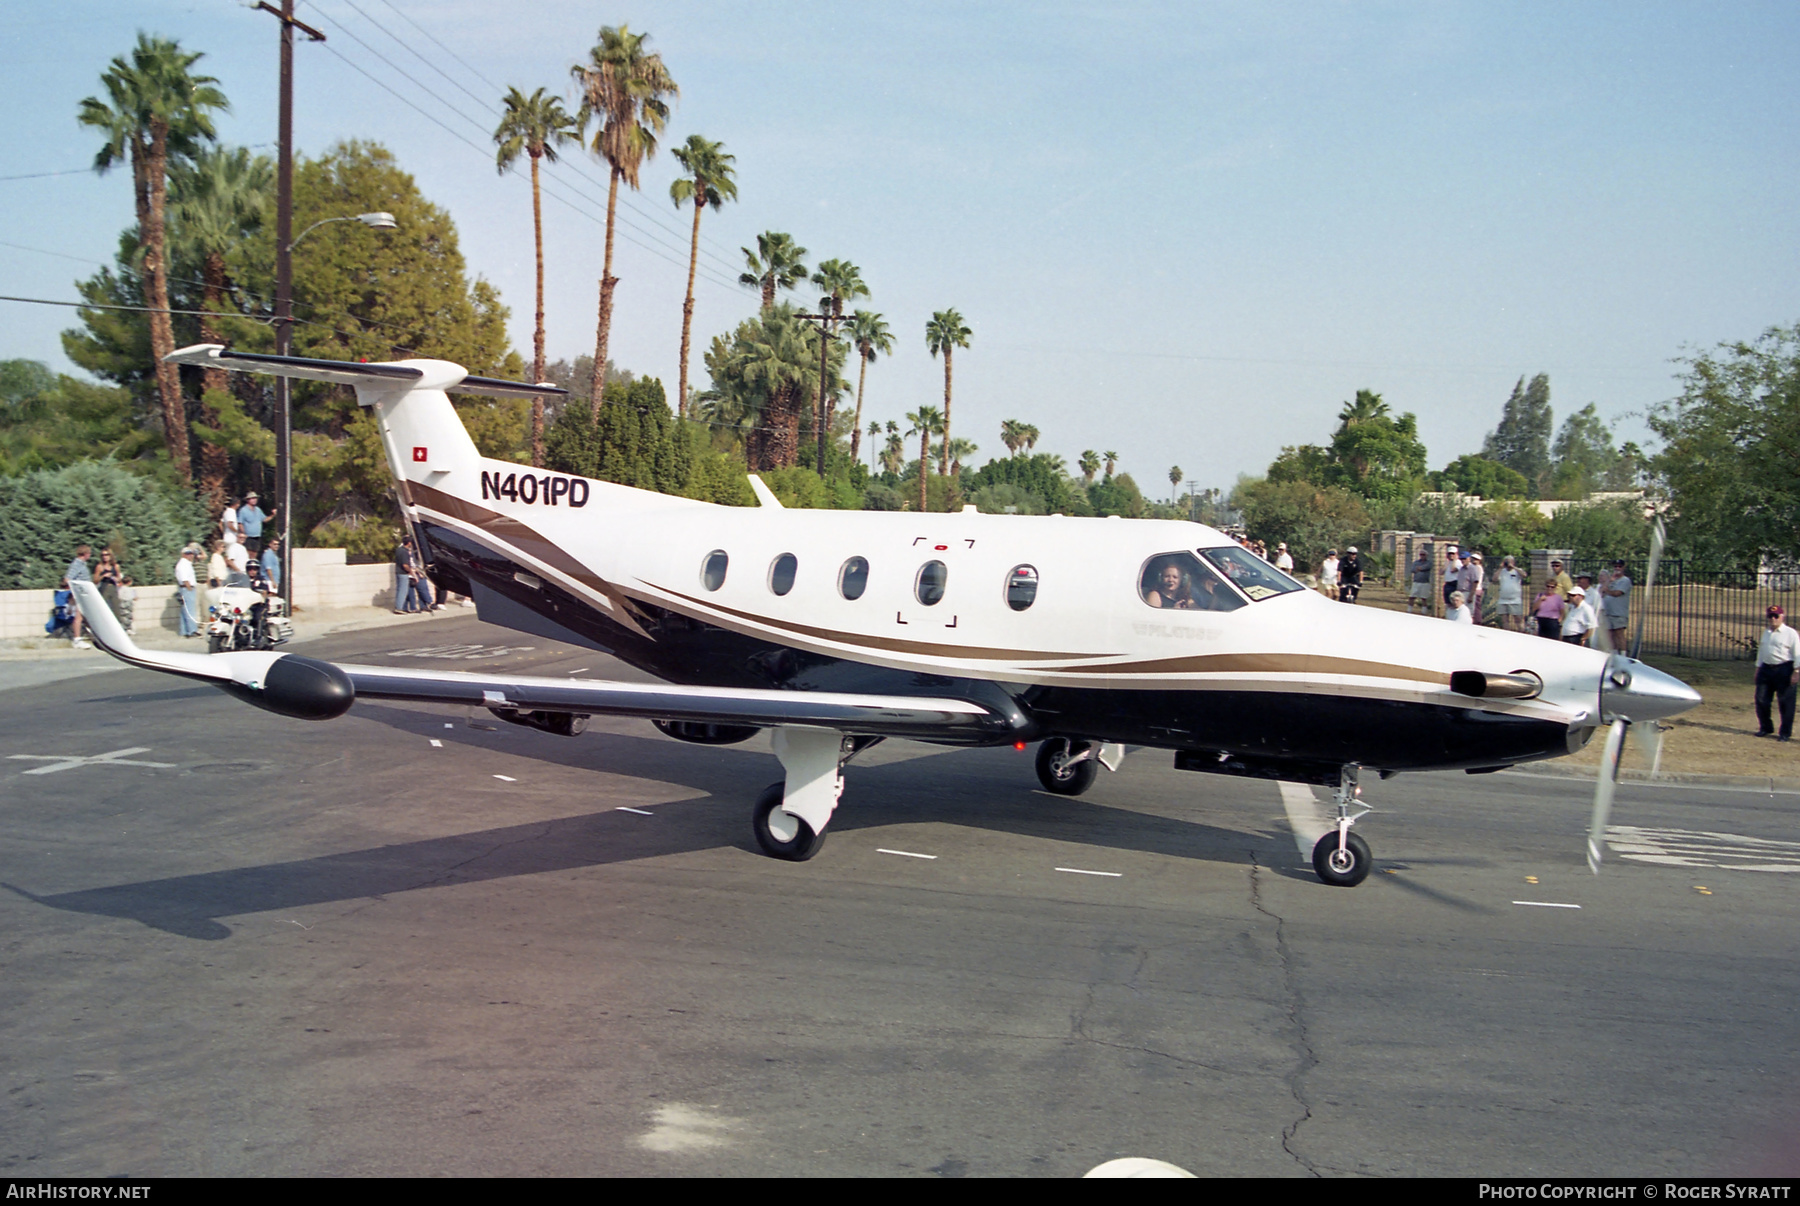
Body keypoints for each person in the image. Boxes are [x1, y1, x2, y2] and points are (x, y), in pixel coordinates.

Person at [1754, 605, 1797, 742]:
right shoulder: (1766, 632)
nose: (1773, 619)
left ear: (1782, 617)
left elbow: (1797, 653)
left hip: (1784, 668)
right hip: (1766, 668)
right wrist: (1758, 667)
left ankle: (1785, 732)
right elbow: (1762, 651)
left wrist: (1797, 671)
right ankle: (1765, 727)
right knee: (1761, 699)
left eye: (1776, 616)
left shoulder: (1790, 633)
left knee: (1785, 702)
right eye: (1770, 616)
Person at [1601, 559, 1632, 652]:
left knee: (1619, 634)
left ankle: (1623, 655)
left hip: (1618, 612)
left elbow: (1617, 593)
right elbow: (1601, 592)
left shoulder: (1625, 580)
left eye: (1619, 566)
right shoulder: (1611, 580)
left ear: (1623, 567)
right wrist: (1609, 581)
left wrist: (1607, 590)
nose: (1617, 568)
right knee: (1610, 635)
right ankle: (1614, 654)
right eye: (1615, 566)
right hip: (1608, 611)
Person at [66, 543, 93, 649]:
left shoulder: (82, 564)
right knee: (79, 616)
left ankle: (87, 636)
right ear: (85, 554)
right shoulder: (77, 565)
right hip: (80, 594)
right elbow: (68, 579)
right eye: (89, 553)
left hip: (84, 594)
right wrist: (75, 592)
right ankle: (77, 639)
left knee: (85, 616)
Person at [1493, 555, 1526, 633]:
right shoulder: (1502, 571)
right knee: (1505, 620)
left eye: (1510, 561)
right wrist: (1500, 568)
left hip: (1515, 600)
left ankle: (1522, 633)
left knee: (1518, 619)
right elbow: (1494, 579)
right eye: (1507, 561)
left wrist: (1514, 567)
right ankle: (1506, 633)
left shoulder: (1517, 571)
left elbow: (1524, 575)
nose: (1508, 563)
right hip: (1503, 599)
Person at [174, 544, 201, 638]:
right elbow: (185, 579)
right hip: (187, 588)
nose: (191, 555)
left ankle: (185, 631)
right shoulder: (183, 564)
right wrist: (189, 588)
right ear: (183, 554)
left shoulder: (186, 564)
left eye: (191, 553)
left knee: (185, 611)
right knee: (190, 611)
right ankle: (192, 631)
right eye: (188, 553)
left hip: (186, 588)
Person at [237, 491, 272, 556]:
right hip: (248, 537)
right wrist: (244, 533)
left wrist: (273, 515)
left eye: (255, 498)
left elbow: (264, 519)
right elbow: (240, 523)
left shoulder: (258, 510)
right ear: (248, 500)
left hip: (257, 537)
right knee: (248, 554)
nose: (254, 500)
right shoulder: (243, 510)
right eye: (252, 498)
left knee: (254, 554)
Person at [1460, 553, 1485, 625]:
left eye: (1476, 559)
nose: (1474, 560)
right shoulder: (1466, 568)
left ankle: (1477, 622)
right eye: (1473, 559)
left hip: (1476, 589)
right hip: (1469, 590)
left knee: (1474, 608)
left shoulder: (1477, 568)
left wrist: (1471, 594)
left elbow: (1475, 581)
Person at [1406, 548, 1432, 615]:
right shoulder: (1416, 562)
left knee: (1424, 598)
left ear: (1426, 555)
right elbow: (1412, 570)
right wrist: (1419, 568)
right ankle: (1409, 610)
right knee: (1412, 596)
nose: (1422, 556)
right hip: (1416, 582)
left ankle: (1424, 612)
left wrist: (1419, 568)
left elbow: (1426, 567)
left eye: (1423, 555)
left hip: (1425, 582)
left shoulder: (1429, 562)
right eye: (1421, 555)